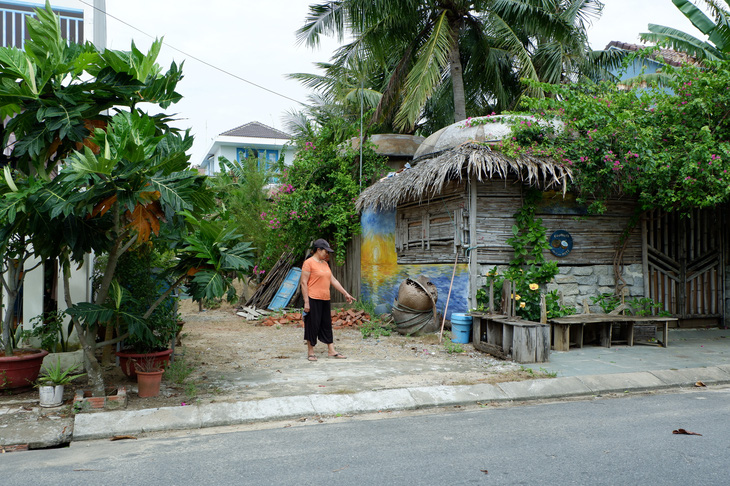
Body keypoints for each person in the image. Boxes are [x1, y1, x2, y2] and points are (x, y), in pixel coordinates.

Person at [300, 238, 355, 361]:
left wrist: (345, 293)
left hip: (325, 298)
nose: (327, 254)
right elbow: (303, 283)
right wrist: (306, 302)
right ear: (318, 250)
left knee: (326, 325)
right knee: (312, 325)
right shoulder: (308, 263)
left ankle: (331, 350)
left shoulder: (325, 264)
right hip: (313, 298)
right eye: (326, 251)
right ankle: (311, 352)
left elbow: (333, 280)